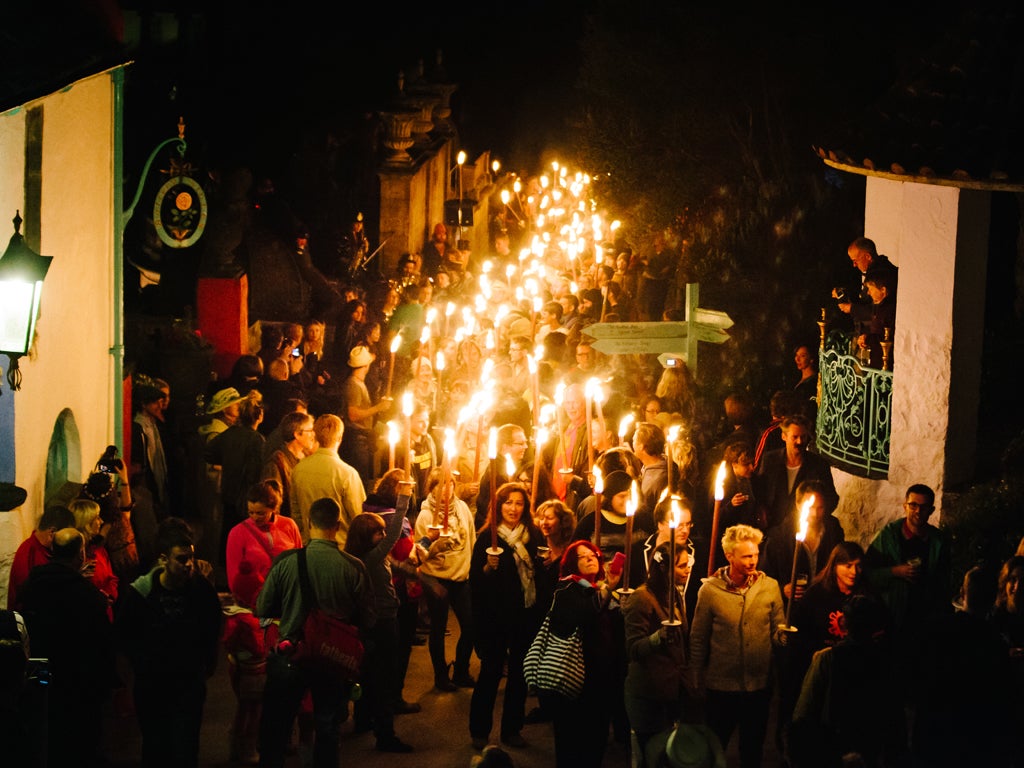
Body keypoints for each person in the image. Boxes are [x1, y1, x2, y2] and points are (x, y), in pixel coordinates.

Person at [255, 498, 373, 768]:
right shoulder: (354, 567)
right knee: (327, 726)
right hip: (332, 659)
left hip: (291, 653)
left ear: (309, 523)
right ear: (337, 525)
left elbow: (263, 607)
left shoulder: (286, 562)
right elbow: (368, 618)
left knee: (277, 726)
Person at [116, 518, 222, 768]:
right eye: (182, 559)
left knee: (186, 747)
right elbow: (125, 635)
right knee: (156, 746)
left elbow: (212, 628)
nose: (189, 565)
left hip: (188, 683)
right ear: (163, 559)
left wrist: (206, 664)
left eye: (191, 558)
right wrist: (140, 666)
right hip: (153, 685)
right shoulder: (141, 594)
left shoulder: (201, 591)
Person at [689, 524, 789, 768]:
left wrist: (784, 637)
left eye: (755, 555)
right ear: (730, 556)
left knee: (752, 750)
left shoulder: (769, 587)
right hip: (721, 686)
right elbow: (699, 637)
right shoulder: (710, 591)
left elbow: (777, 630)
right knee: (715, 747)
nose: (752, 561)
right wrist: (695, 675)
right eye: (746, 556)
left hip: (758, 685)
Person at [18, 528, 115, 768]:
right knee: (81, 743)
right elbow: (101, 641)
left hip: (44, 676)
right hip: (79, 680)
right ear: (80, 554)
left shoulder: (33, 585)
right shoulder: (86, 594)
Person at [223, 479, 303, 764]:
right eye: (251, 511)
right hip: (254, 615)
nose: (255, 517)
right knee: (254, 688)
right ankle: (247, 742)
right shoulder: (238, 533)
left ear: (274, 508)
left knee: (287, 678)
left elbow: (298, 562)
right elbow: (234, 578)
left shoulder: (289, 527)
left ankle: (283, 736)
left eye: (260, 512)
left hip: (286, 613)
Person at [788, 594, 906, 768]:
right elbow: (896, 719)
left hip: (833, 749)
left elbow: (804, 713)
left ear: (845, 623)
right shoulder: (884, 661)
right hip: (869, 749)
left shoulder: (828, 659)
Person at [344, 481, 416, 753]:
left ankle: (363, 720)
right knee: (385, 676)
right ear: (366, 537)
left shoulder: (360, 558)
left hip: (368, 622)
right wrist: (403, 498)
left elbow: (393, 563)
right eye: (378, 533)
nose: (384, 535)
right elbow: (395, 533)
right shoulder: (370, 558)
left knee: (368, 673)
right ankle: (385, 735)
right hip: (382, 621)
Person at [469, 482, 542, 750]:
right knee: (490, 673)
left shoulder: (533, 536)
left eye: (519, 503)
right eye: (508, 502)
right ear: (499, 506)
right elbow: (475, 581)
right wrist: (488, 568)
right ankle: (479, 731)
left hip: (524, 614)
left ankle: (512, 729)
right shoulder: (488, 538)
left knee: (520, 674)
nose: (513, 508)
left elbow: (539, 573)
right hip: (495, 617)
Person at [538, 540, 622, 768]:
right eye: (582, 556)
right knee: (572, 741)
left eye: (593, 554)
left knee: (597, 738)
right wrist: (608, 589)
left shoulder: (600, 590)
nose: (589, 558)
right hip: (574, 677)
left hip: (601, 678)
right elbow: (583, 613)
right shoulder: (566, 588)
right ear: (572, 564)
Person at [864, 483, 952, 691]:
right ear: (905, 506)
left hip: (924, 622)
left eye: (923, 507)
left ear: (931, 510)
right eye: (913, 505)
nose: (918, 511)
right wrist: (894, 572)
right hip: (892, 618)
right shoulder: (889, 536)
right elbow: (867, 573)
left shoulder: (938, 541)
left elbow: (944, 581)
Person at [623, 540, 691, 758]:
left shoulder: (674, 594)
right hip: (648, 693)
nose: (688, 569)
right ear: (663, 568)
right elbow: (633, 649)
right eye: (681, 565)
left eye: (688, 564)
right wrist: (658, 638)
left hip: (670, 691)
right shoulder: (642, 598)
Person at [414, 467, 477, 691]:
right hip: (437, 579)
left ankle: (461, 671)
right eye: (442, 484)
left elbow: (470, 538)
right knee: (438, 629)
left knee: (470, 626)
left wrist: (471, 567)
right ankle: (441, 676)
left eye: (451, 483)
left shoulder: (462, 508)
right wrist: (436, 543)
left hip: (460, 577)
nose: (448, 488)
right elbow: (420, 553)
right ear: (433, 488)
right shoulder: (425, 516)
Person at [761, 479, 846, 606]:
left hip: (823, 604)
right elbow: (763, 576)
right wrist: (782, 589)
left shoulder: (833, 530)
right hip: (791, 607)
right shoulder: (780, 536)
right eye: (810, 508)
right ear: (798, 505)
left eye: (820, 508)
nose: (815, 514)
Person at [206, 390, 266, 562]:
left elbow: (208, 453)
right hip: (246, 499)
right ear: (259, 416)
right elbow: (255, 473)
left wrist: (226, 462)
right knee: (244, 545)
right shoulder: (257, 440)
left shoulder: (229, 433)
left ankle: (225, 569)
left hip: (228, 493)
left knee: (228, 536)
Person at [289, 413, 366, 545]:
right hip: (340, 548)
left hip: (309, 546)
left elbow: (296, 515)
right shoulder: (347, 474)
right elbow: (360, 518)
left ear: (315, 436)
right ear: (340, 438)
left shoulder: (298, 470)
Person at [754, 414, 838, 531]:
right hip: (772, 528)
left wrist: (816, 517)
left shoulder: (819, 465)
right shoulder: (770, 460)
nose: (799, 441)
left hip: (805, 529)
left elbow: (831, 498)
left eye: (803, 437)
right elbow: (760, 492)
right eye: (795, 437)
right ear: (784, 436)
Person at [629, 495, 700, 619]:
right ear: (660, 524)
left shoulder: (701, 551)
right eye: (679, 525)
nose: (685, 530)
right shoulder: (637, 551)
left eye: (688, 524)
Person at [341, 344, 393, 487]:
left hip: (362, 437)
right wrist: (378, 407)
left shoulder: (359, 383)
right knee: (360, 479)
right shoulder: (353, 385)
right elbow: (353, 414)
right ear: (366, 366)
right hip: (357, 438)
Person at [6, 504, 76, 610]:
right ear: (52, 533)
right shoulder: (28, 553)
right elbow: (29, 596)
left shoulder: (47, 551)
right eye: (64, 536)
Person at [260, 410, 317, 520]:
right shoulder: (277, 463)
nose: (313, 435)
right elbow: (271, 503)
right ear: (297, 434)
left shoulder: (308, 457)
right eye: (310, 430)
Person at [69, 498, 119, 616]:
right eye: (97, 518)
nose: (101, 521)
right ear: (86, 522)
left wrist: (109, 595)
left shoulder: (99, 550)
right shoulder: (73, 556)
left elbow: (112, 578)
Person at [476, 423, 530, 531]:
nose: (526, 446)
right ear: (505, 447)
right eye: (520, 443)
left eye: (526, 442)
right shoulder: (498, 473)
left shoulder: (514, 466)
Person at [633, 421, 668, 517]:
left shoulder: (658, 479)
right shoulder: (650, 465)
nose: (632, 444)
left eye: (634, 440)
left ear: (641, 446)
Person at [792, 345, 819, 421]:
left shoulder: (813, 382)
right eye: (796, 355)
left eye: (802, 356)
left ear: (811, 359)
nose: (797, 359)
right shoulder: (796, 380)